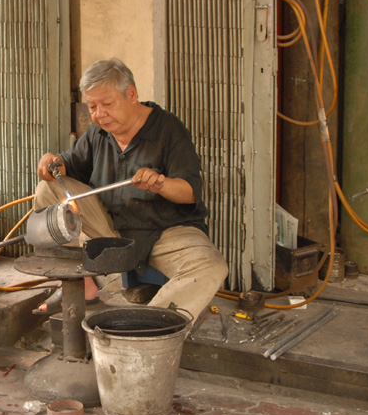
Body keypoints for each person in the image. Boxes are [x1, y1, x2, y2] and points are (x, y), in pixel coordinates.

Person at [34, 59, 228, 320]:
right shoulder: (97, 133)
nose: (99, 114)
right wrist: (52, 162)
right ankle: (81, 284)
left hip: (163, 231)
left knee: (211, 266)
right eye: (92, 107)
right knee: (49, 189)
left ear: (132, 95)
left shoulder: (168, 129)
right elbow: (68, 167)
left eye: (107, 104)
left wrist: (161, 184)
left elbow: (190, 192)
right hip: (111, 228)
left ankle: (150, 326)